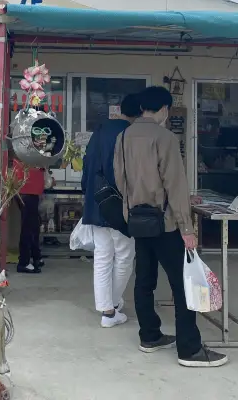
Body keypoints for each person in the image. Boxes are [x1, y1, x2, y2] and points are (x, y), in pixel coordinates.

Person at [114, 86, 228, 368]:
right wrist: (187, 227)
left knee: (144, 280)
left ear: (142, 108)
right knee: (183, 285)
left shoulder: (123, 136)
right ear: (164, 109)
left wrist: (132, 208)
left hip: (138, 220)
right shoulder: (164, 137)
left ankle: (149, 336)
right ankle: (189, 349)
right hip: (165, 223)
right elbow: (174, 184)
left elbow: (119, 179)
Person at [81, 94, 141, 327]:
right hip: (121, 204)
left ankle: (107, 309)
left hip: (97, 201)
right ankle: (112, 306)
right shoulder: (131, 134)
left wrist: (88, 194)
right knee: (125, 256)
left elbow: (87, 165)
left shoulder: (100, 130)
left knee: (103, 256)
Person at [13, 156, 50, 274]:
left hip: (30, 190)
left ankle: (36, 256)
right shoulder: (27, 152)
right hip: (27, 189)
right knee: (28, 228)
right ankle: (23, 262)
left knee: (34, 226)